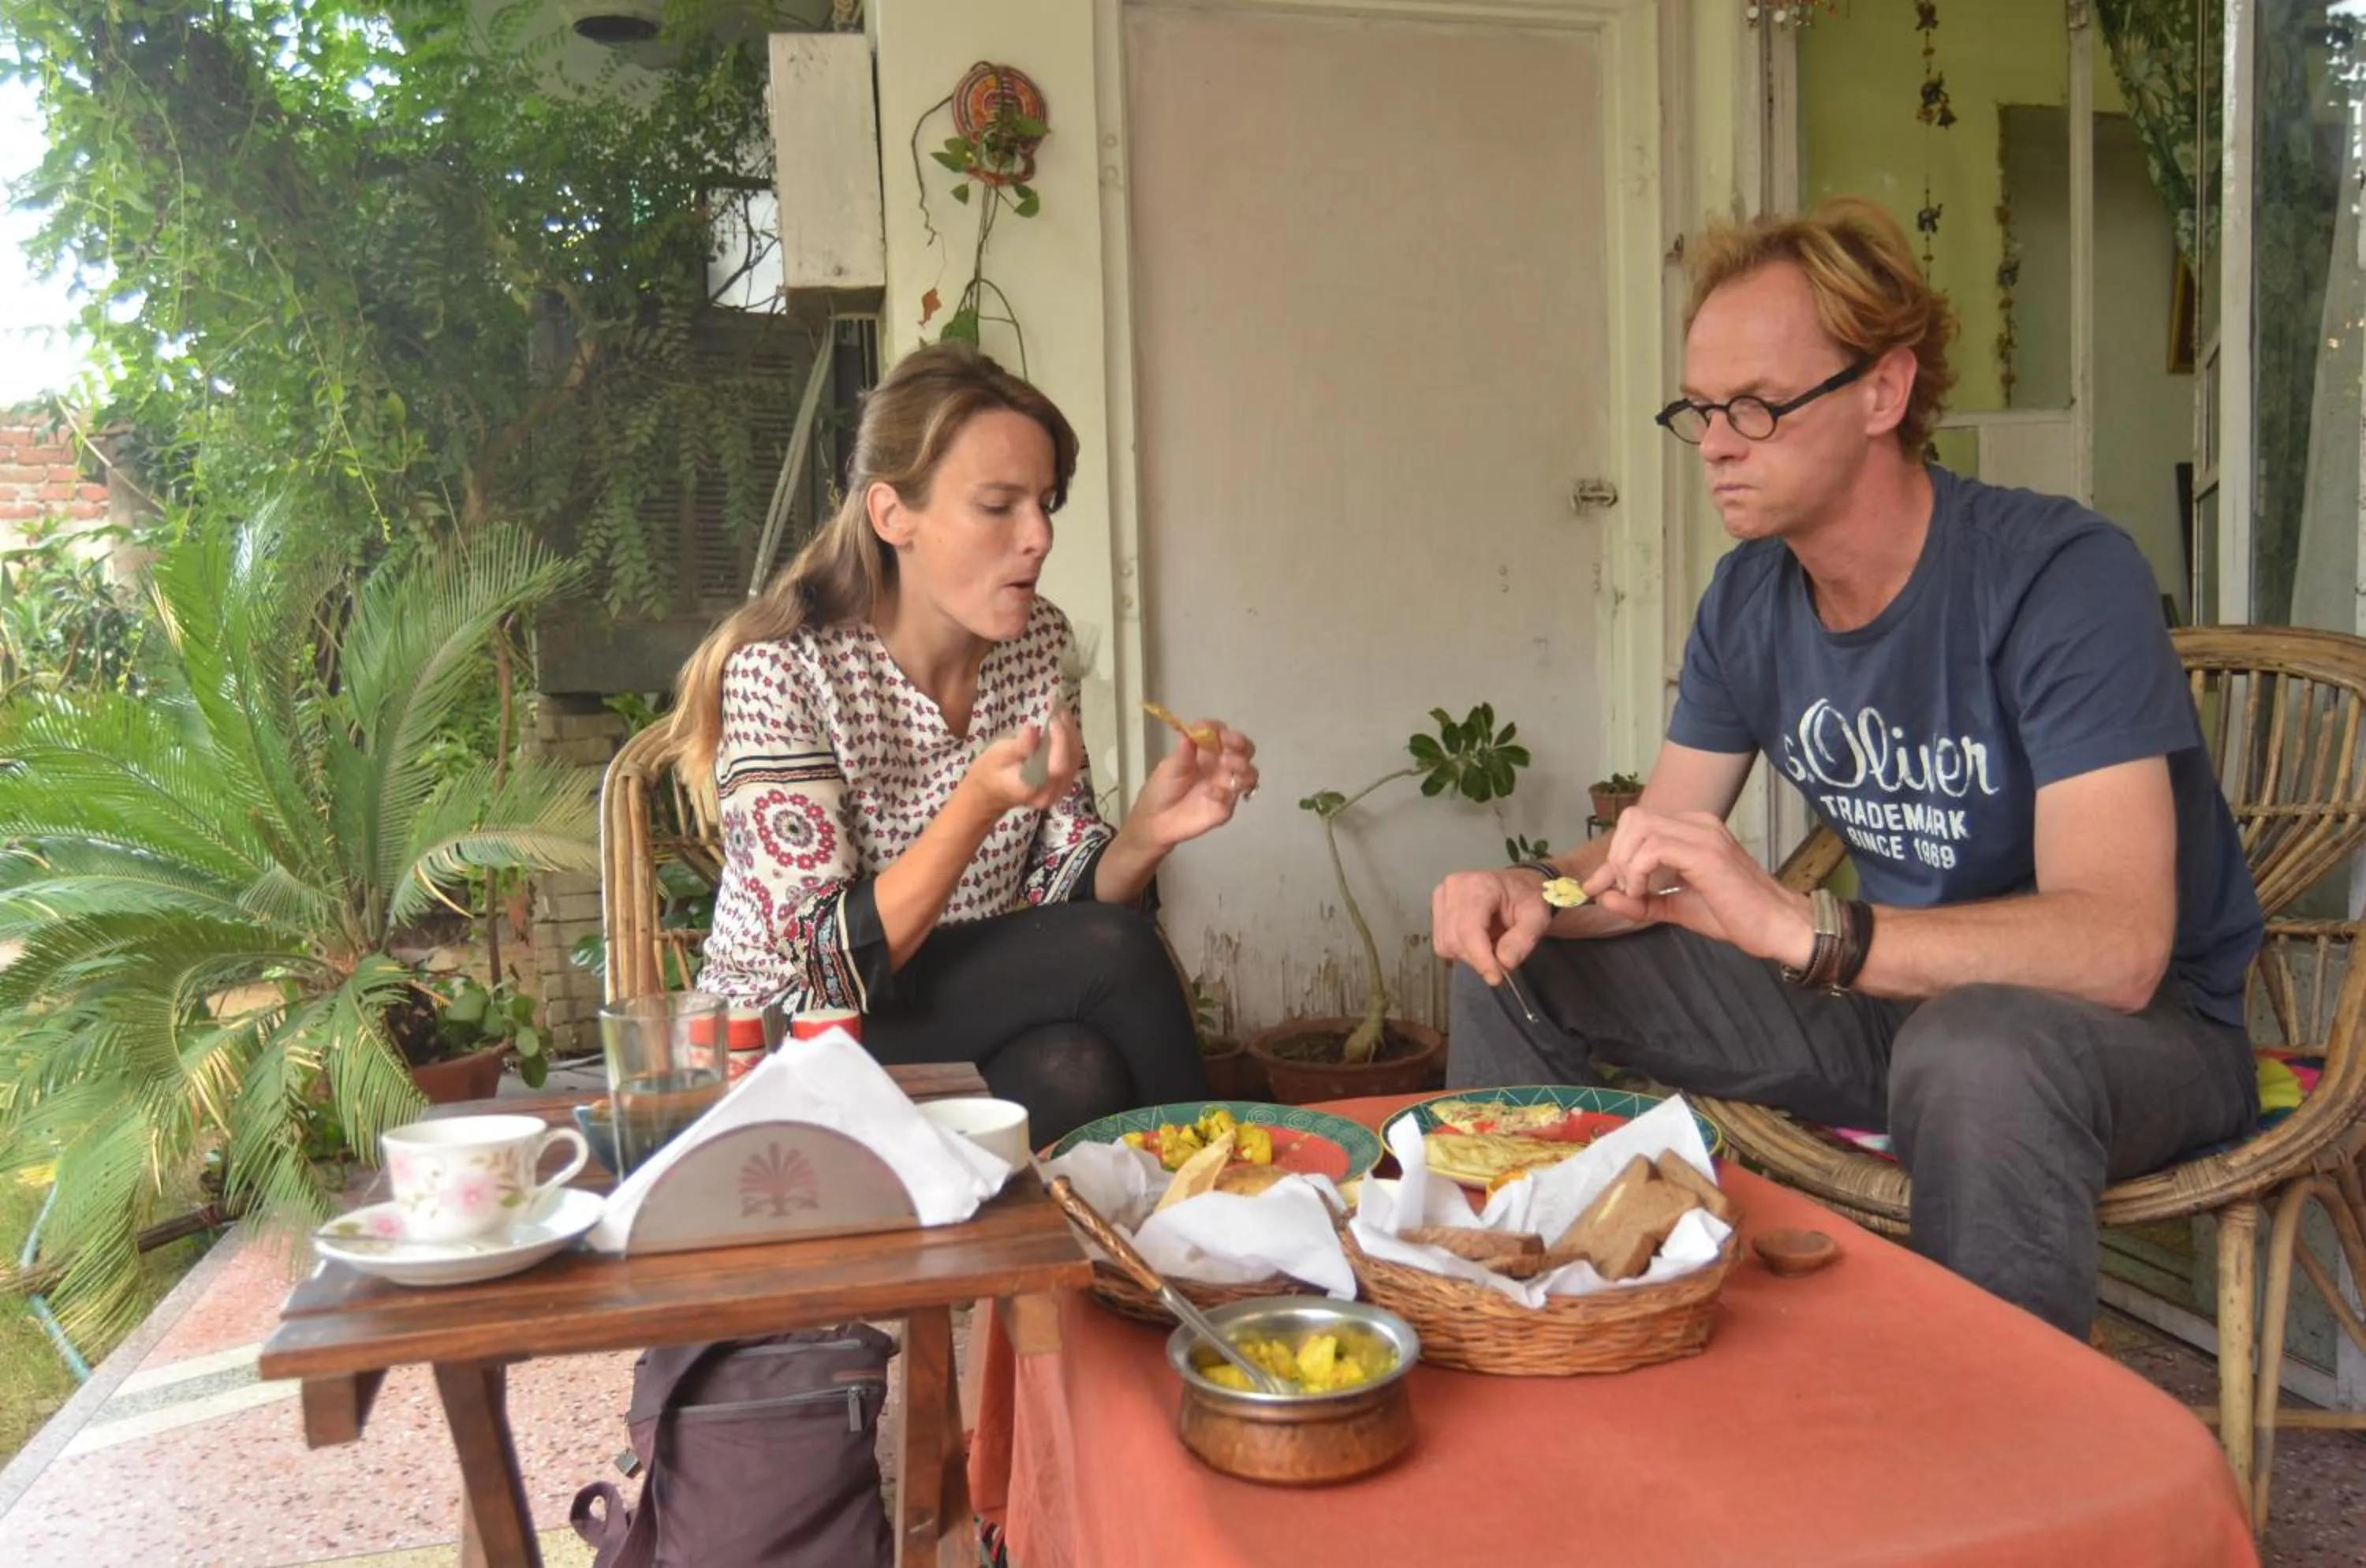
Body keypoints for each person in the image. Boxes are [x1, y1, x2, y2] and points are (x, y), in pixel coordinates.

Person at [1429, 198, 2262, 1338]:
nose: (1717, 443)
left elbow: (2118, 947)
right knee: (1512, 955)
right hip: (1894, 1013)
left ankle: (2007, 1439)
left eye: (1758, 406)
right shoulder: (1750, 599)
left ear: (1884, 391)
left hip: (2141, 1039)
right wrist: (1536, 887)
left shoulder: (2058, 577)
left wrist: (1807, 928)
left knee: (1978, 1051)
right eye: (1701, 409)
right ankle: (1506, 1320)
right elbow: (1644, 860)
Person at [667, 341, 1257, 1144]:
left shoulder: (1036, 645)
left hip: (938, 1015)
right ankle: (1236, 1185)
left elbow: (1057, 889)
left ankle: (1122, 1220)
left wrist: (1146, 836)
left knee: (1076, 1067)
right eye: (998, 505)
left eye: (1045, 503)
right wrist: (975, 804)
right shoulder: (786, 672)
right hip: (788, 1037)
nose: (1038, 535)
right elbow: (829, 961)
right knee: (1114, 954)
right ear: (892, 515)